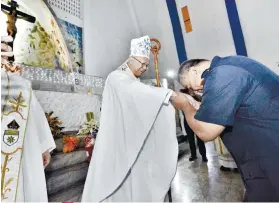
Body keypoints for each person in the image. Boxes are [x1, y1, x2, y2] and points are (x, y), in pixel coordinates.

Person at [82, 36, 178, 202]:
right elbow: (136, 92)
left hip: (133, 139)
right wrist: (166, 94)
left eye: (147, 65)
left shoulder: (132, 79)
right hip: (119, 141)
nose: (144, 67)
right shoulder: (116, 77)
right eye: (142, 63)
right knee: (121, 185)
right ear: (130, 59)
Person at [171, 56, 279, 201]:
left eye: (190, 85)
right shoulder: (231, 65)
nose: (195, 90)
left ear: (193, 70)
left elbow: (206, 132)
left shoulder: (221, 75)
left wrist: (185, 105)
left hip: (270, 158)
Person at [1, 36, 56, 202]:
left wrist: (43, 146)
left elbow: (35, 115)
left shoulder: (20, 84)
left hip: (20, 155)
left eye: (4, 52)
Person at [180, 89, 207, 162]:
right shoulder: (183, 100)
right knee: (191, 140)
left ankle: (204, 155)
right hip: (188, 121)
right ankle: (193, 155)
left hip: (197, 121)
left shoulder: (197, 97)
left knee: (200, 139)